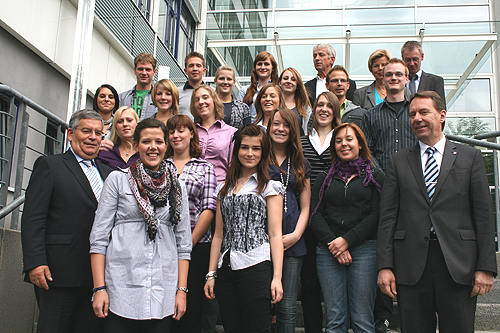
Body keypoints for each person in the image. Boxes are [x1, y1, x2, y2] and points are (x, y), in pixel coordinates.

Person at [377, 91, 497, 333]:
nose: (417, 118)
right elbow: (387, 217)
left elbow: (483, 216)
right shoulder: (398, 161)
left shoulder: (470, 157)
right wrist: (384, 266)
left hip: (458, 264)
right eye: (412, 114)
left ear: (442, 115)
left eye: (424, 112)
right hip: (411, 266)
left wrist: (486, 267)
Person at [90, 118, 192, 332]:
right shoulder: (117, 180)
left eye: (159, 141)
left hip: (162, 290)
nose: (153, 147)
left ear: (166, 145)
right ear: (136, 146)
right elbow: (98, 239)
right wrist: (99, 288)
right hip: (121, 288)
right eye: (146, 142)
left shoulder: (177, 186)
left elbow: (183, 244)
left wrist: (181, 291)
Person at [21, 109, 112, 333]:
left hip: (98, 277)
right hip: (58, 272)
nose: (93, 137)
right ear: (70, 133)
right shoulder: (50, 165)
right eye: (86, 131)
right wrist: (34, 261)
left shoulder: (110, 174)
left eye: (98, 133)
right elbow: (33, 217)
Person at [204, 124, 284, 333]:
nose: (249, 153)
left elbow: (275, 234)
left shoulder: (270, 187)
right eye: (244, 147)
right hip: (226, 269)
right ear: (236, 150)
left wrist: (277, 277)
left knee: (257, 328)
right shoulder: (225, 188)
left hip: (256, 265)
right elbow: (218, 235)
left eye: (256, 148)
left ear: (264, 152)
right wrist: (211, 274)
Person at [310, 123, 384, 333]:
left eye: (349, 139)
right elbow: (315, 215)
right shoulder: (324, 178)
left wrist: (347, 241)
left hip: (365, 250)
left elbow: (377, 215)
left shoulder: (375, 177)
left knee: (362, 320)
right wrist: (334, 244)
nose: (344, 144)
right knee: (335, 320)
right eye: (339, 140)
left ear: (360, 144)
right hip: (328, 251)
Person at [165, 115, 218, 333]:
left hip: (196, 246)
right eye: (171, 132)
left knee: (193, 307)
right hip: (163, 246)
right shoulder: (159, 165)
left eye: (181, 131)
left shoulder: (205, 167)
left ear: (191, 134)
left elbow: (208, 209)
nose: (176, 136)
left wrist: (188, 243)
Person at [299, 91, 341, 333]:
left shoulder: (342, 139)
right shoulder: (302, 141)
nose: (323, 109)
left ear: (335, 111)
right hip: (307, 220)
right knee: (310, 283)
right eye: (319, 105)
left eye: (329, 105)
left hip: (335, 220)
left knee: (335, 283)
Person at [267, 108, 311, 333]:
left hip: (292, 243)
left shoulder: (299, 160)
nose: (280, 129)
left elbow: (306, 207)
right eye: (276, 124)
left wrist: (296, 235)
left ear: (293, 130)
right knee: (262, 305)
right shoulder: (259, 156)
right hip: (262, 242)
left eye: (286, 125)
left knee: (287, 307)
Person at [361, 58, 418, 173]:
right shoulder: (370, 116)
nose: (393, 78)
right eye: (389, 75)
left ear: (406, 79)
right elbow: (366, 151)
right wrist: (380, 175)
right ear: (383, 79)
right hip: (382, 181)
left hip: (414, 178)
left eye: (398, 74)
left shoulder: (417, 114)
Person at [191, 84, 237, 184]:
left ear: (214, 100)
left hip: (219, 188)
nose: (201, 102)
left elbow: (233, 167)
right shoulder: (190, 132)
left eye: (205, 97)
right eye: (196, 100)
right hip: (192, 189)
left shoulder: (231, 133)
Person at [305, 44, 356, 108]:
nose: (317, 58)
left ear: (332, 59)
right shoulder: (307, 87)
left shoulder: (348, 84)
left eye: (321, 55)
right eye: (315, 56)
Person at [401, 41, 446, 106]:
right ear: (402, 58)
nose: (412, 63)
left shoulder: (435, 81)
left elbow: (441, 108)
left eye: (415, 59)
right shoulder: (397, 81)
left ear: (422, 57)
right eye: (408, 60)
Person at [238, 51, 279, 121]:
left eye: (266, 64)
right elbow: (240, 116)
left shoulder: (279, 90)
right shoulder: (244, 91)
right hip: (251, 130)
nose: (263, 67)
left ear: (273, 68)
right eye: (259, 64)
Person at [119, 52, 158, 120]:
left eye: (148, 69)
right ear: (135, 70)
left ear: (154, 72)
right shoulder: (123, 98)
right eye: (140, 69)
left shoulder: (158, 98)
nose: (144, 73)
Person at [279, 67, 312, 136]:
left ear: (297, 85)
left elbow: (307, 132)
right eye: (285, 78)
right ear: (280, 82)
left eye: (293, 79)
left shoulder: (304, 107)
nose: (289, 81)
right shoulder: (274, 104)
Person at [179, 52, 207, 118]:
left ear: (204, 71)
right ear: (185, 71)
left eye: (198, 65)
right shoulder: (176, 93)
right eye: (191, 66)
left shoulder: (213, 93)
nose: (195, 69)